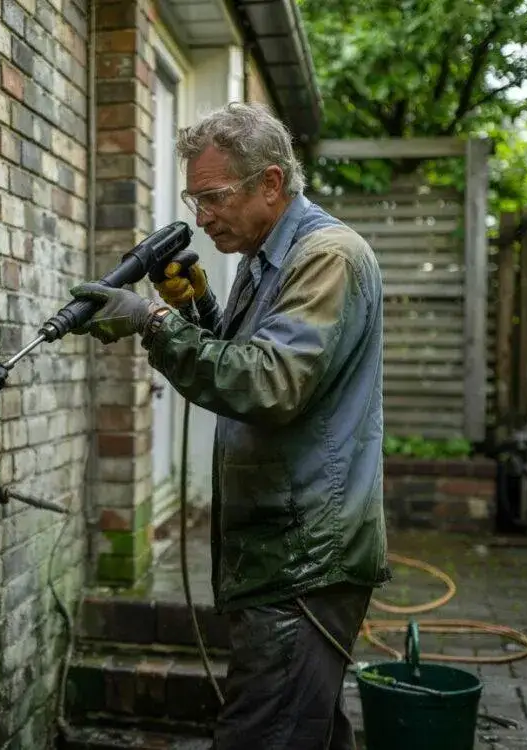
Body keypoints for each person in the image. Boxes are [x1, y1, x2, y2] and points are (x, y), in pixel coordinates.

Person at [70, 102, 391, 750]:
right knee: (305, 730)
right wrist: (199, 309)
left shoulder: (327, 258)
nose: (202, 217)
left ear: (270, 183)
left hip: (305, 561)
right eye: (195, 201)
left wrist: (151, 322)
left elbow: (268, 383)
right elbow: (252, 356)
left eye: (213, 198)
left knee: (263, 735)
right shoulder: (266, 257)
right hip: (279, 552)